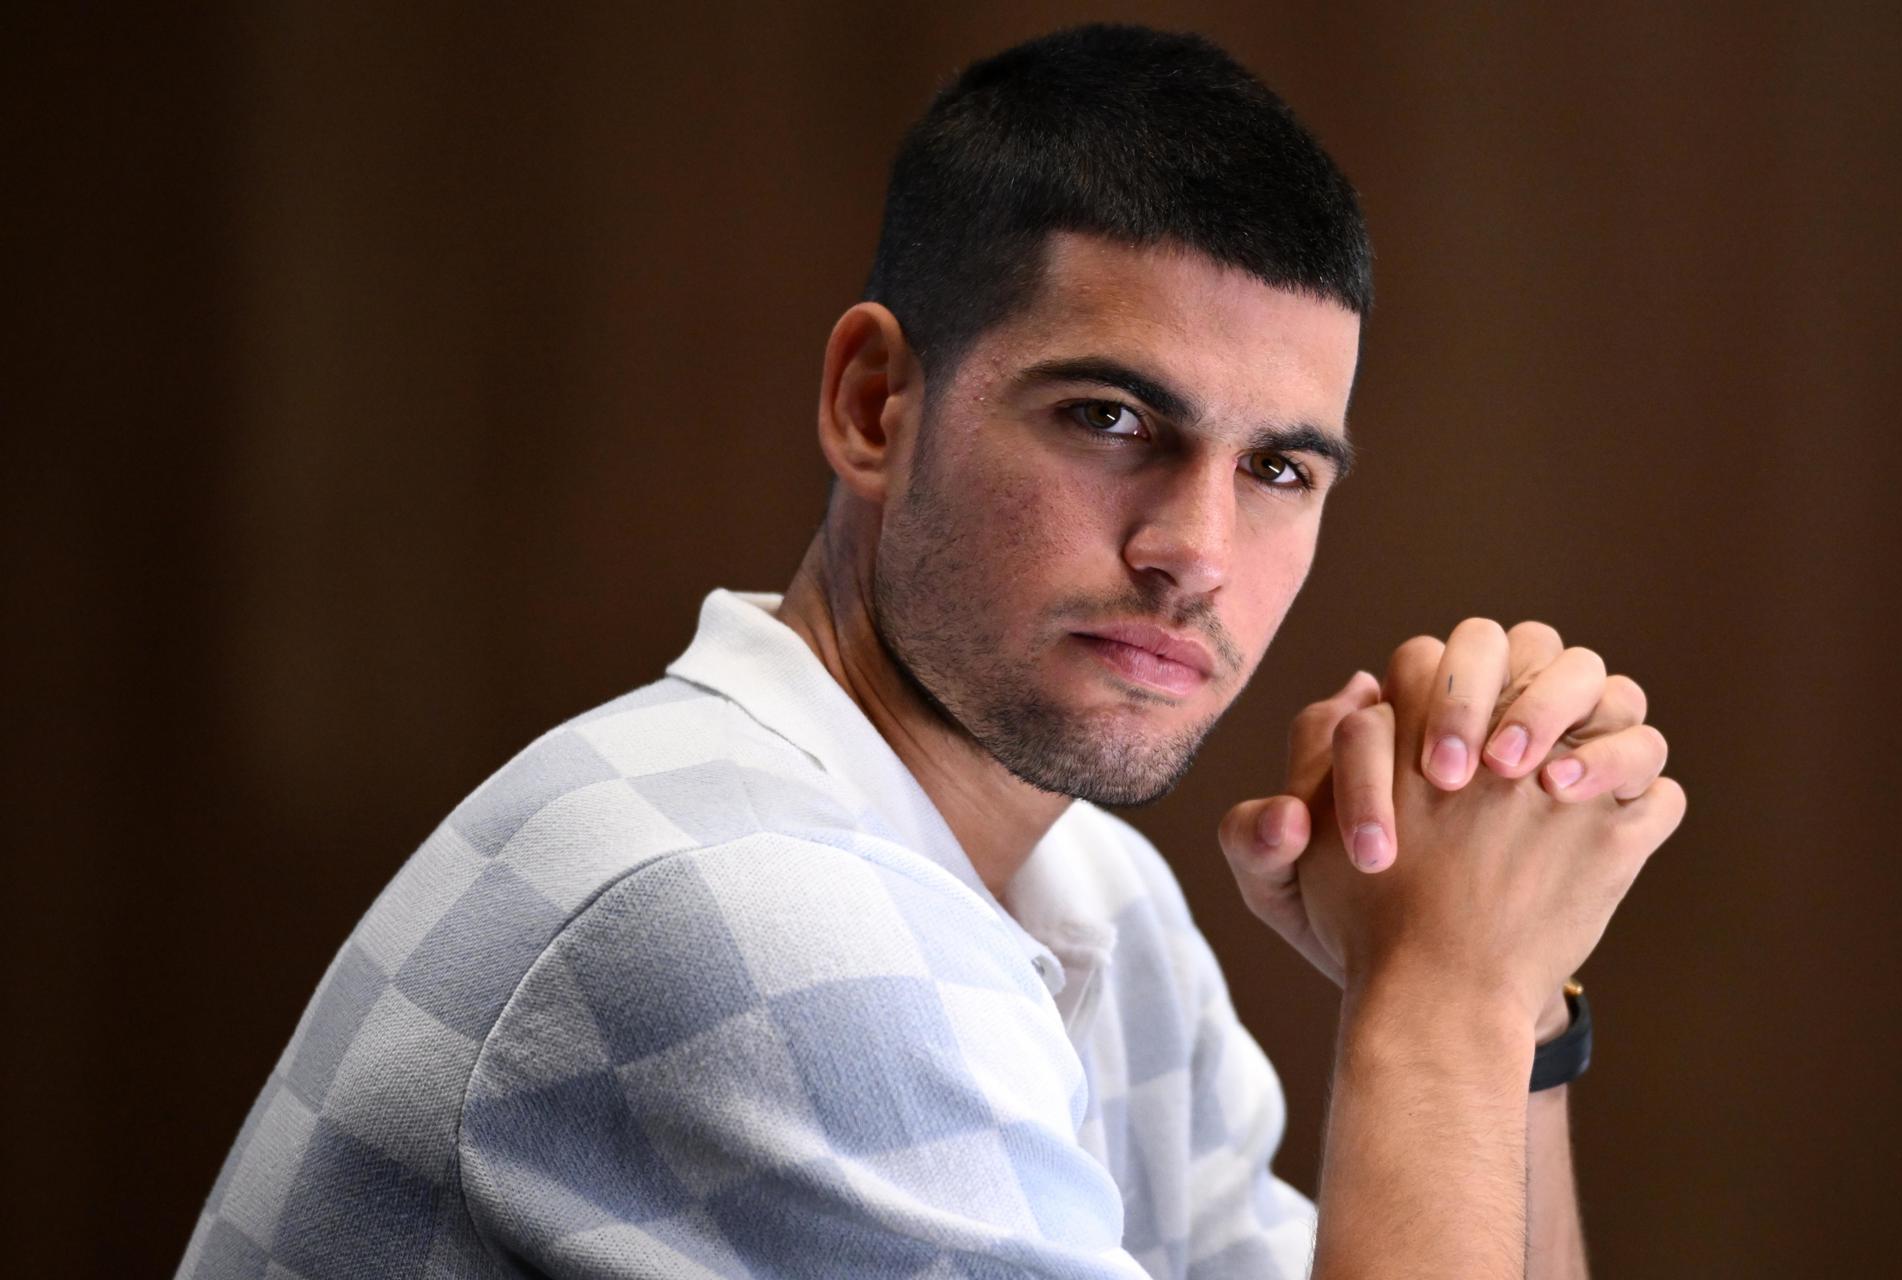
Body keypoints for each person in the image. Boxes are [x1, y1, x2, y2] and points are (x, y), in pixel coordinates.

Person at [177, 22, 1683, 1280]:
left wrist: (1515, 1007)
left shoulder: (1091, 899)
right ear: (876, 404)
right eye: (1109, 419)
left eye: (1282, 470)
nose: (1196, 551)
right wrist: (1447, 997)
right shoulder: (747, 915)